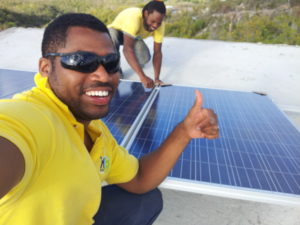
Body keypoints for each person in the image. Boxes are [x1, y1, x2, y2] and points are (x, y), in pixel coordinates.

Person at [0, 13, 219, 225]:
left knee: (146, 200)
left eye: (111, 62)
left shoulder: (97, 131)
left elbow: (140, 178)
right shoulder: (28, 119)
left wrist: (184, 131)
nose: (103, 75)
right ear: (46, 68)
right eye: (81, 61)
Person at [108, 0, 166, 88]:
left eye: (158, 23)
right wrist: (142, 76)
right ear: (146, 14)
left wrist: (157, 78)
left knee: (144, 58)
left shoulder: (160, 25)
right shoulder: (134, 17)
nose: (155, 26)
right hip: (116, 32)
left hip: (133, 36)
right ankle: (115, 70)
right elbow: (127, 50)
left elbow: (157, 53)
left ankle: (135, 64)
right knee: (112, 36)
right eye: (153, 21)